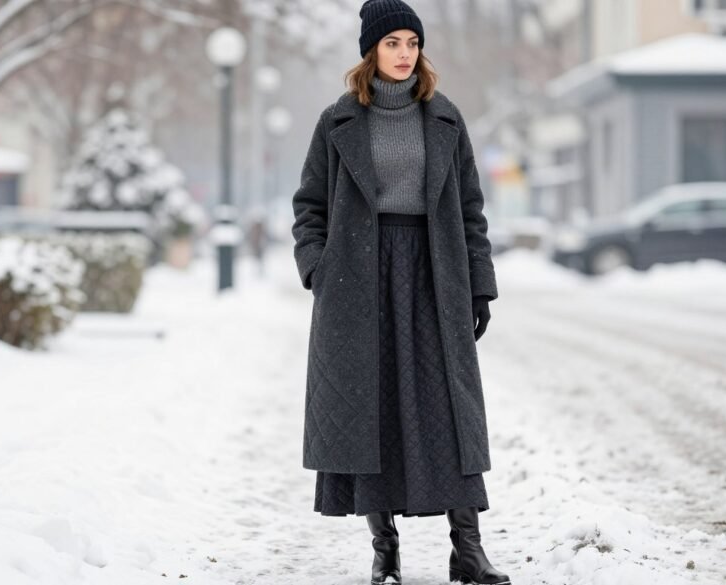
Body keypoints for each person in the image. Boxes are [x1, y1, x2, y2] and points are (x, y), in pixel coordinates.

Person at [289, 1, 511, 584]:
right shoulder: (337, 122)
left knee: (448, 408)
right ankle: (384, 551)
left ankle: (468, 549)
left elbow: (470, 211)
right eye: (392, 43)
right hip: (356, 280)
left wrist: (480, 286)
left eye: (412, 41)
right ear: (371, 51)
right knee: (371, 409)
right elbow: (309, 208)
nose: (404, 52)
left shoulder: (445, 119)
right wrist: (318, 268)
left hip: (434, 273)